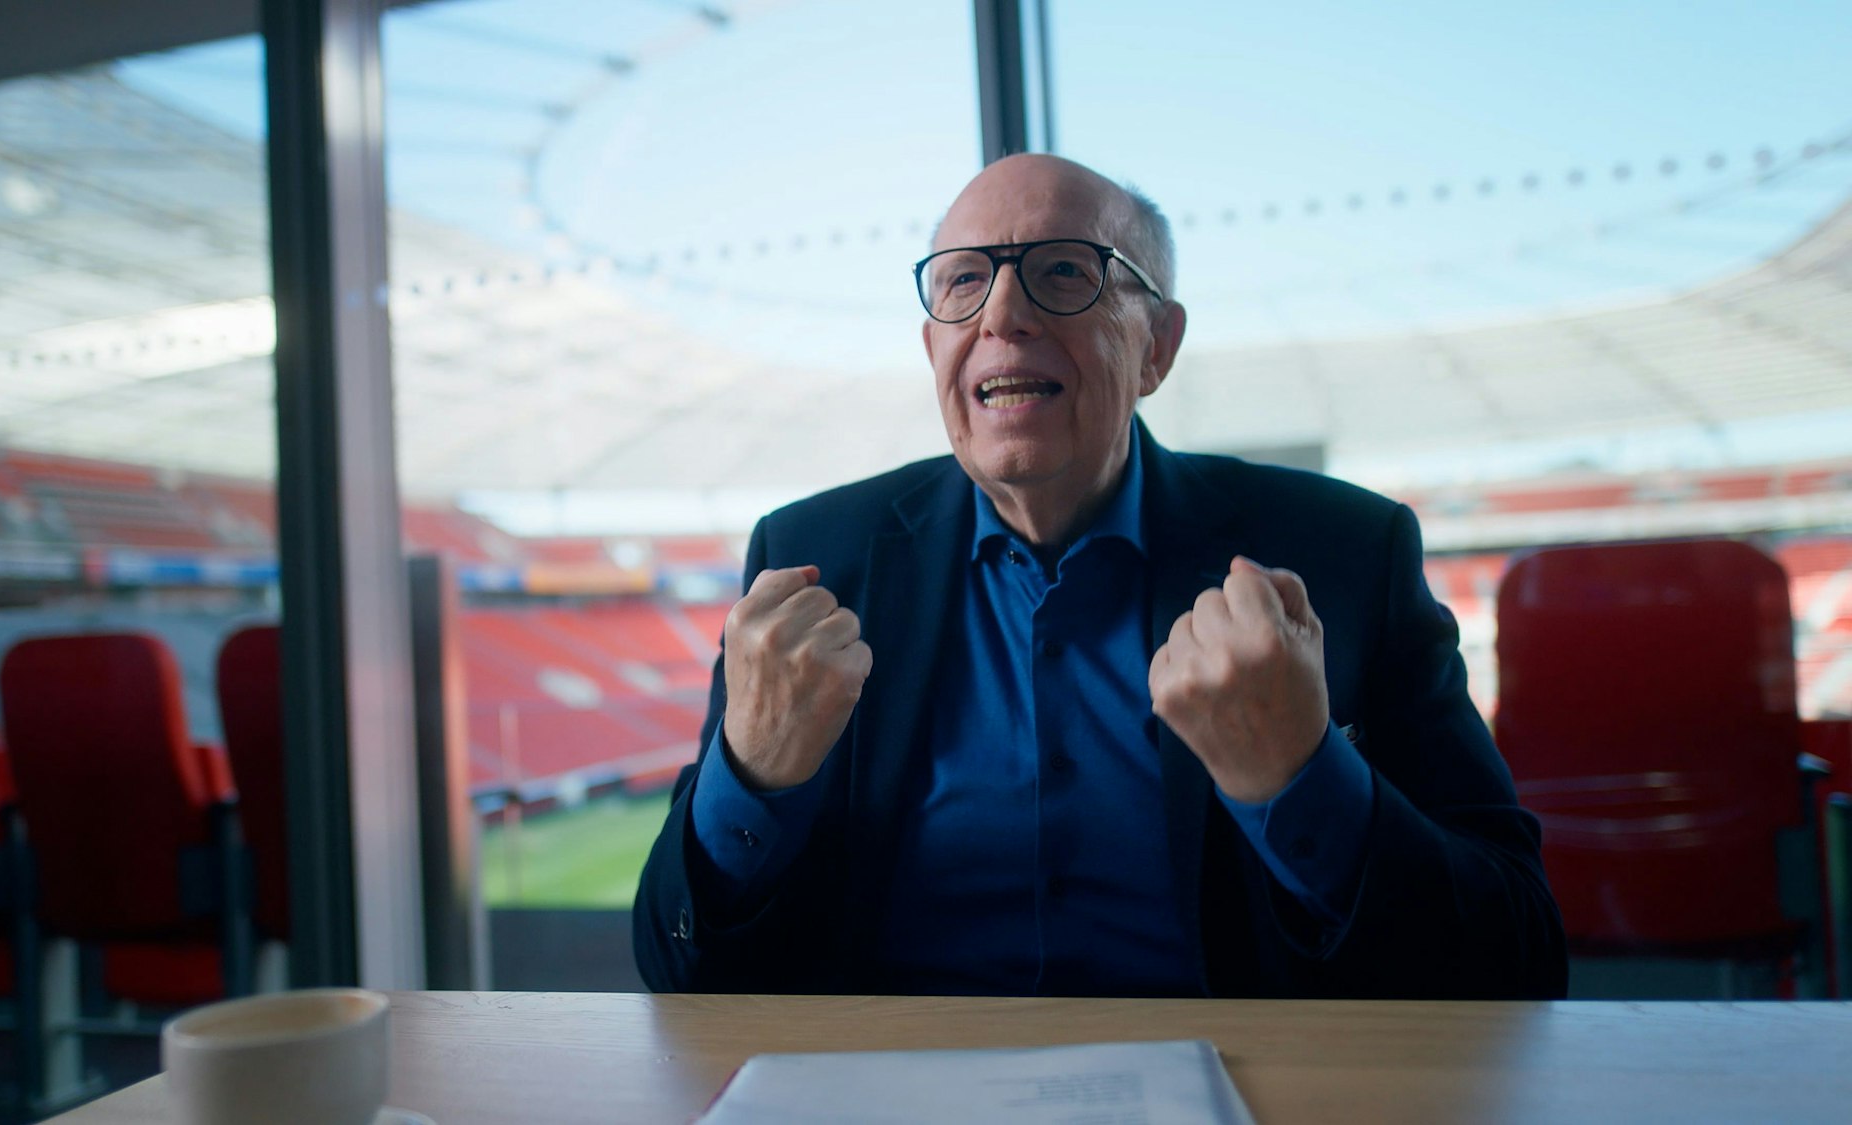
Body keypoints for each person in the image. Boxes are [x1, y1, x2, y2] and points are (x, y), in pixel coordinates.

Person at [633, 153, 1566, 999]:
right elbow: (674, 964)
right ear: (935, 354)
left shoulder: (1347, 554)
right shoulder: (808, 559)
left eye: (1064, 271)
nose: (1001, 315)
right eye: (964, 282)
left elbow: (1521, 957)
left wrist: (1302, 776)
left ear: (1156, 345)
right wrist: (748, 776)